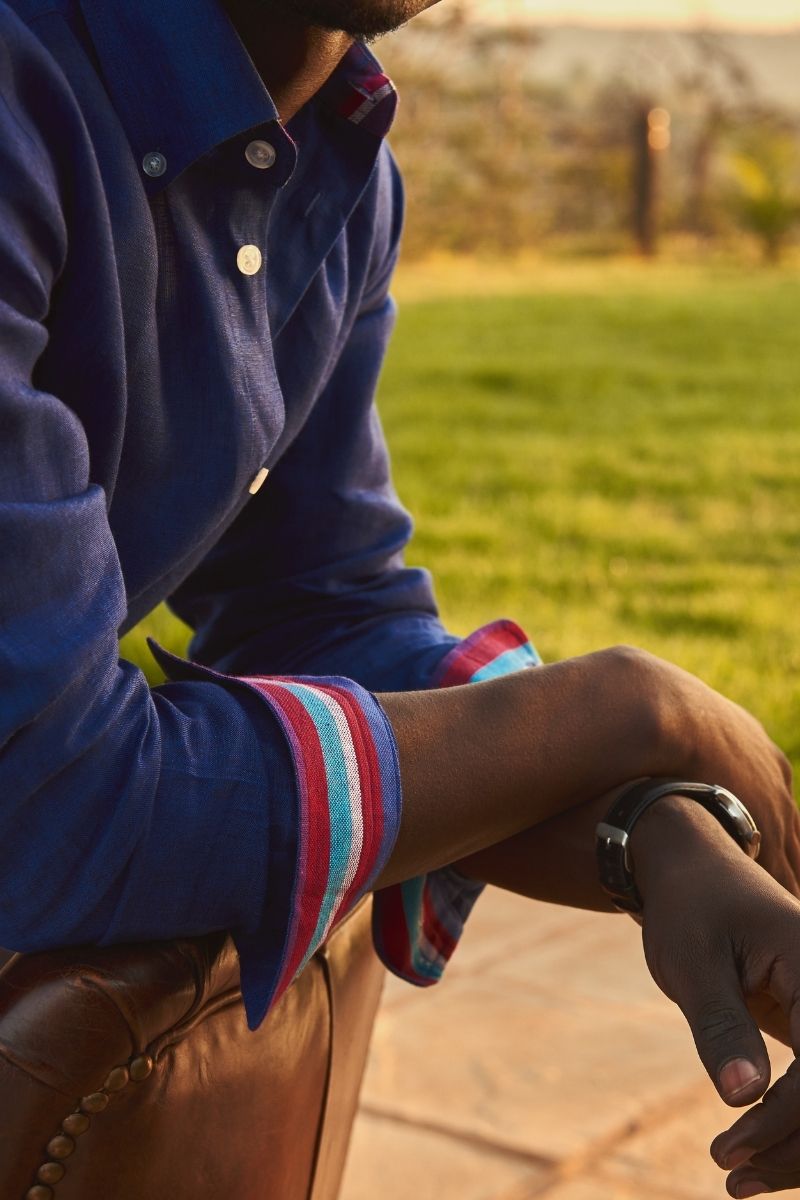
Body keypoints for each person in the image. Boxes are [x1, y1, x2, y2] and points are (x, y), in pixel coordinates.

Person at [0, 0, 798, 1194]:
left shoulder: (336, 160)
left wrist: (647, 823)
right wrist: (620, 709)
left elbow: (319, 608)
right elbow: (42, 796)